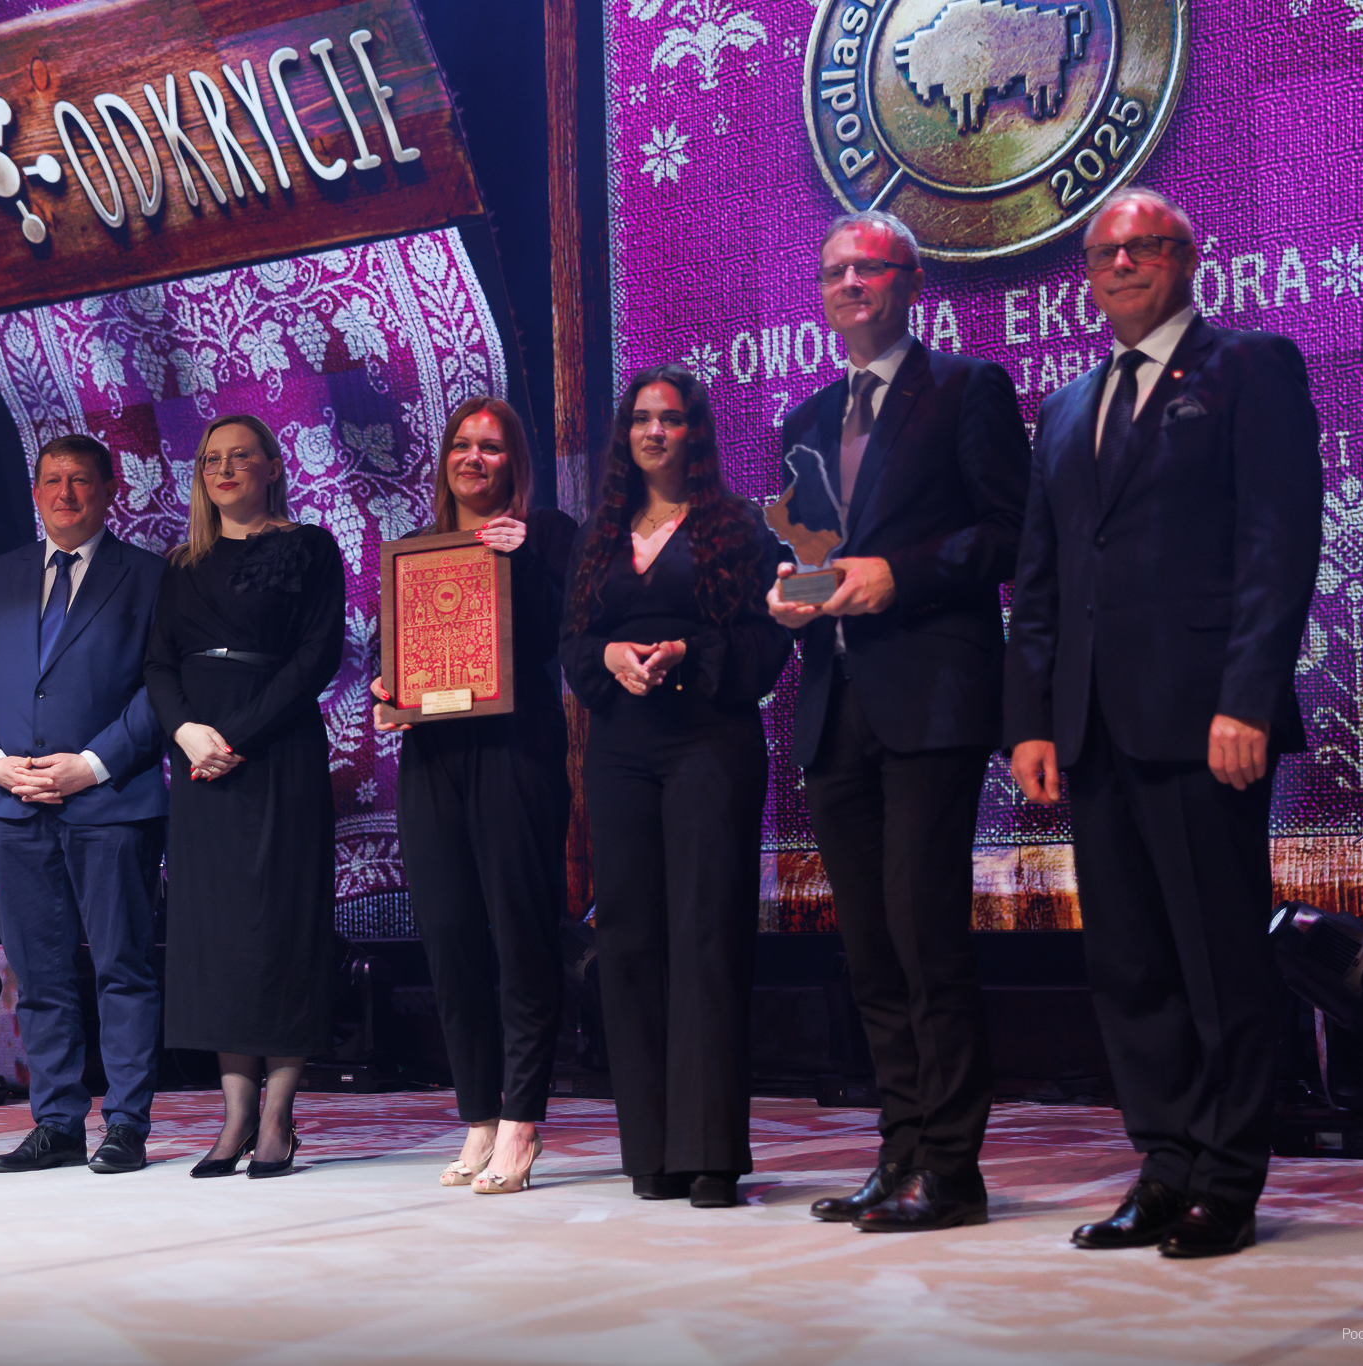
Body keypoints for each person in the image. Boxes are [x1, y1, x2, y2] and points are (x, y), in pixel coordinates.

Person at [1004, 188, 1321, 1258]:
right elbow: (1041, 579)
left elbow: (1277, 543)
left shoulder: (1249, 367)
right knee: (1129, 965)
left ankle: (1225, 1180)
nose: (1123, 264)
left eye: (1145, 246)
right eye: (1105, 253)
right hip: (1091, 725)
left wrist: (1246, 697)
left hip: (1203, 719)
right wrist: (1031, 719)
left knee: (1216, 956)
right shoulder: (1064, 407)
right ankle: (1163, 1163)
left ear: (1187, 258)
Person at [766, 212, 1029, 1233]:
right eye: (832, 270)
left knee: (927, 938)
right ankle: (899, 1151)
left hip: (929, 699)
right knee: (870, 949)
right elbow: (813, 552)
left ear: (910, 282)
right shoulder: (804, 415)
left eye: (867, 268)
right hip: (832, 705)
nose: (848, 283)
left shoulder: (966, 387)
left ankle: (952, 1170)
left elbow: (1011, 533)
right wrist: (789, 594)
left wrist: (900, 576)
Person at [560, 365, 793, 1208]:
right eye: (641, 419)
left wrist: (688, 655)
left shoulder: (738, 527)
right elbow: (573, 645)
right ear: (625, 436)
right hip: (620, 748)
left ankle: (712, 1155)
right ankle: (652, 1151)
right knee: (628, 938)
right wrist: (609, 656)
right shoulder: (600, 535)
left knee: (706, 934)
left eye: (671, 418)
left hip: (709, 740)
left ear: (696, 431)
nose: (655, 431)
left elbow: (767, 646)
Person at [0, 434, 169, 1175]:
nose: (65, 494)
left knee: (122, 968)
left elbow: (161, 692)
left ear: (110, 491)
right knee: (39, 976)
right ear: (35, 491)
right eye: (51, 481)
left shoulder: (150, 576)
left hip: (111, 801)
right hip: (11, 806)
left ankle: (127, 1123)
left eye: (80, 480)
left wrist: (91, 765)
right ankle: (58, 1123)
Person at [371, 397, 577, 1195]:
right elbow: (396, 661)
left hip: (515, 754)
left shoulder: (547, 536)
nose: (474, 458)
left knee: (521, 936)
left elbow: (568, 635)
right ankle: (479, 1114)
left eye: (491, 447)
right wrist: (390, 691)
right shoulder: (418, 551)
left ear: (514, 461)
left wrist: (523, 560)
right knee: (450, 938)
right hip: (432, 758)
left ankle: (522, 1118)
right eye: (462, 444)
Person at [145, 415, 345, 1179]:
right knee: (218, 935)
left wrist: (238, 736)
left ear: (271, 466)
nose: (224, 469)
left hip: (278, 750)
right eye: (211, 460)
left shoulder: (309, 547)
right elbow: (157, 663)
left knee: (282, 926)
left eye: (239, 456)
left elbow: (315, 657)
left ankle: (277, 1118)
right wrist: (186, 732)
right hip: (200, 760)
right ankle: (233, 1117)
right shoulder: (181, 563)